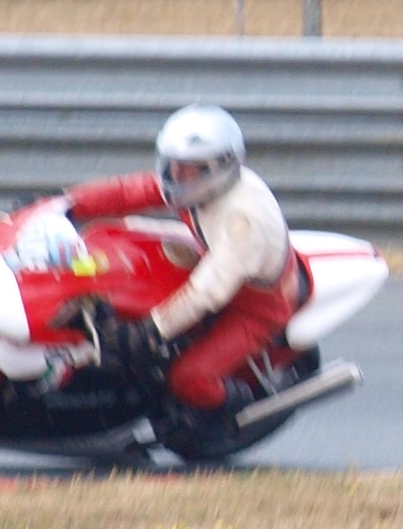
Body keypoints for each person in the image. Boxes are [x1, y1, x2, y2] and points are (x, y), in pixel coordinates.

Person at [59, 104, 295, 407]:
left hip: (254, 306)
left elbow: (207, 292)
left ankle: (238, 406)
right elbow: (131, 191)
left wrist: (151, 330)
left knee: (189, 378)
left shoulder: (243, 221)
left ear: (219, 168)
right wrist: (64, 203)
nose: (176, 174)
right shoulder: (194, 187)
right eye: (172, 164)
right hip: (214, 262)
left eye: (189, 167)